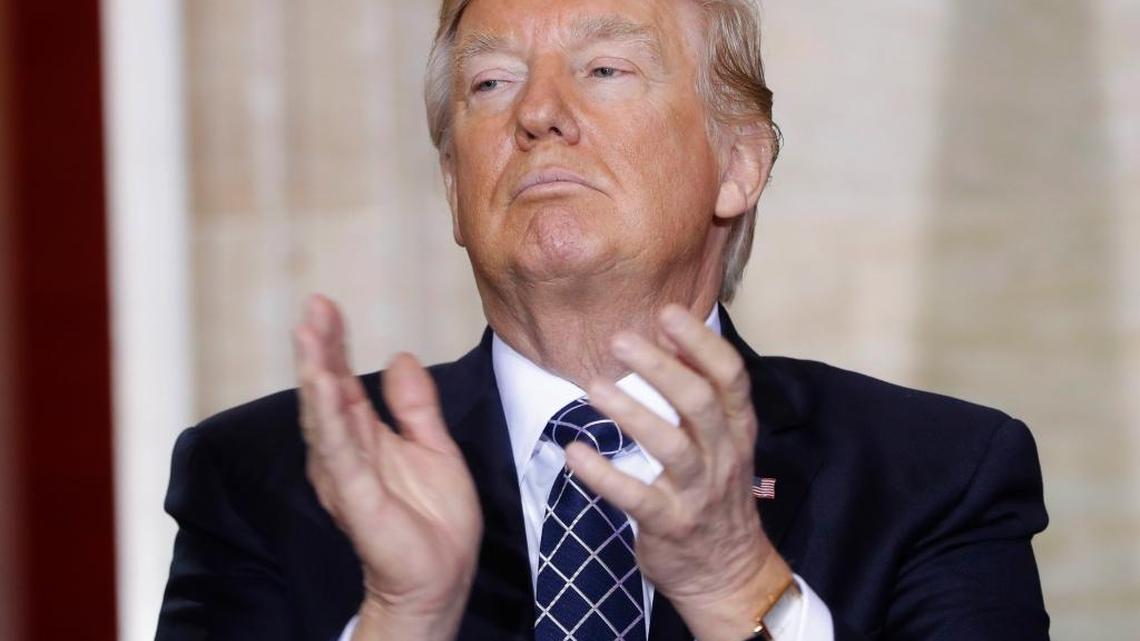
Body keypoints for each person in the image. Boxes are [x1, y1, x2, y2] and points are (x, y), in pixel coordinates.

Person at [156, 0, 1050, 639]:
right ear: (454, 193)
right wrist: (404, 619)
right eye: (492, 82)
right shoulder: (266, 477)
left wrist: (738, 586)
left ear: (739, 162)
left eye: (604, 69)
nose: (539, 114)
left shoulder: (936, 475)